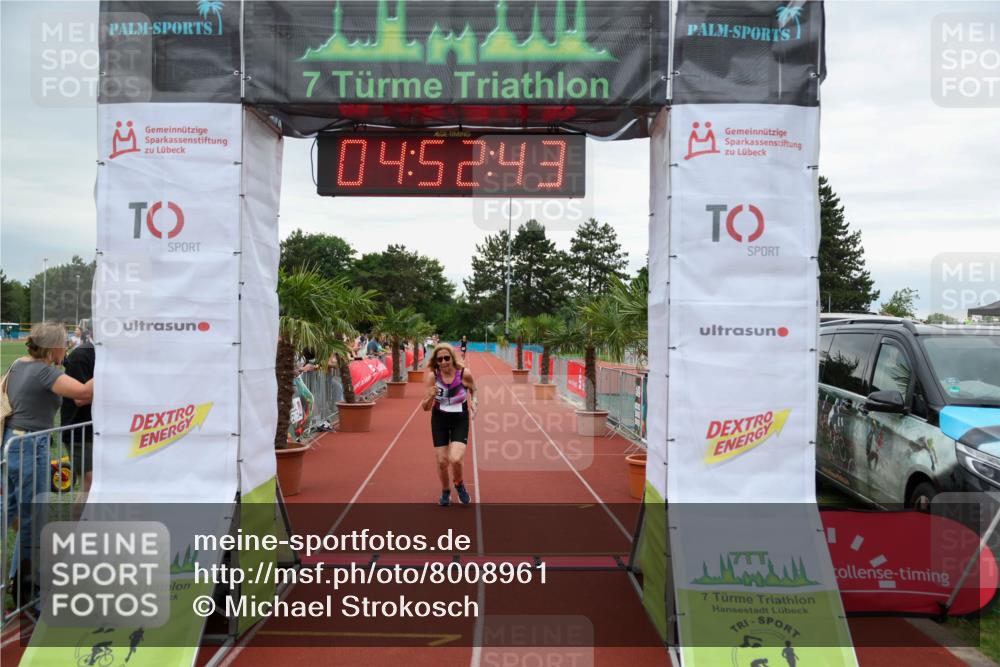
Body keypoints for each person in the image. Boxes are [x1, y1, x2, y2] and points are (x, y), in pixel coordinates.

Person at [4, 322, 93, 591]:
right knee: (31, 515)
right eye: (63, 343)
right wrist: (114, 365)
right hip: (31, 445)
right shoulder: (43, 372)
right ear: (53, 346)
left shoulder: (20, 364)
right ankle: (25, 583)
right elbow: (83, 394)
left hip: (14, 442)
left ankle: (20, 579)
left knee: (11, 510)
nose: (66, 347)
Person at [421, 343, 477, 506]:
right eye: (440, 359)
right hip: (439, 419)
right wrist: (430, 396)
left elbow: (474, 389)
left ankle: (459, 484)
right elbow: (425, 408)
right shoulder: (433, 377)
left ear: (452, 358)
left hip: (460, 417)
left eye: (447, 358)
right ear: (436, 362)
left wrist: (474, 402)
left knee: (456, 458)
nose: (444, 361)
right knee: (442, 461)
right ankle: (446, 491)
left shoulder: (464, 374)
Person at [61, 319, 96, 492]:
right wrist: (109, 371)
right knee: (89, 482)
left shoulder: (105, 354)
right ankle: (78, 520)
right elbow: (80, 399)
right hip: (79, 430)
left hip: (99, 428)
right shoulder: (80, 356)